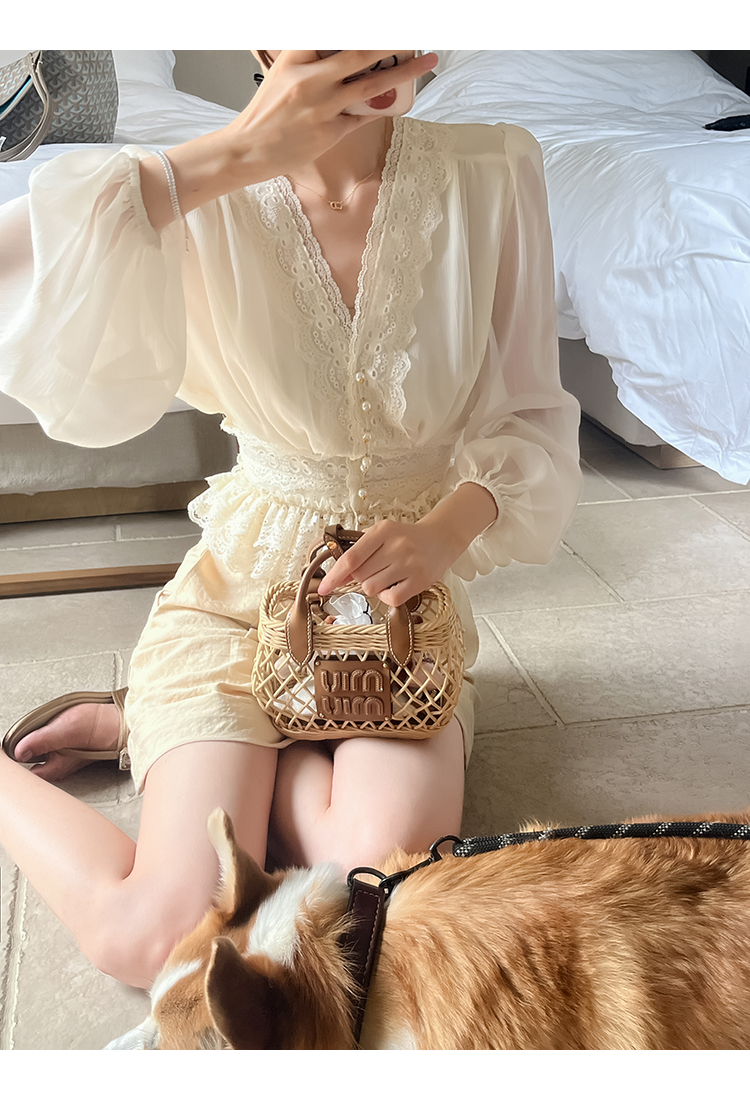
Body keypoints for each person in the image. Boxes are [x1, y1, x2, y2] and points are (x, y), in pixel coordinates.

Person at [0, 51, 583, 992]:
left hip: (397, 618)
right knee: (157, 939)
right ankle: (184, 719)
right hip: (240, 596)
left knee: (373, 901)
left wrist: (445, 529)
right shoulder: (191, 183)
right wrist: (235, 155)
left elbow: (531, 413)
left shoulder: (495, 166)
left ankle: (177, 730)